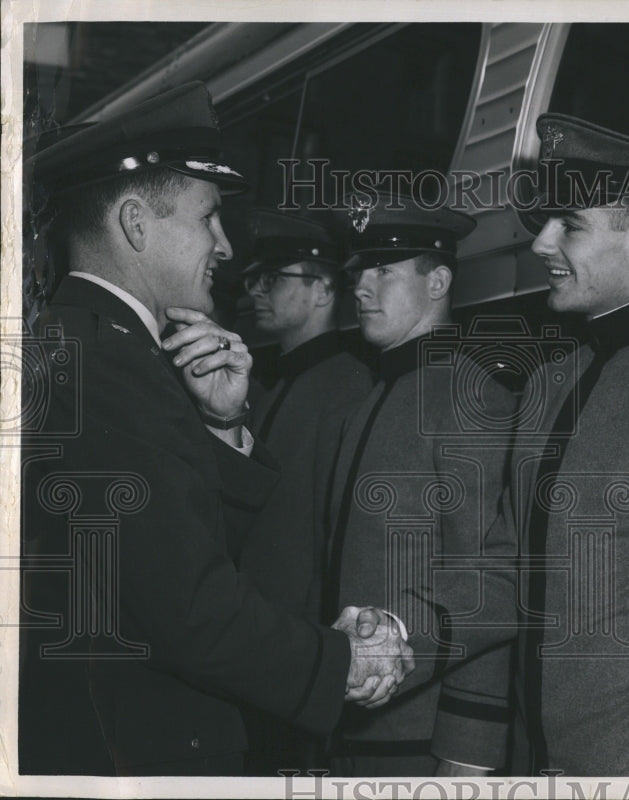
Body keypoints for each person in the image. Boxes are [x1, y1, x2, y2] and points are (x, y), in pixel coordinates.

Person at [339, 114, 629, 776]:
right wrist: (402, 634)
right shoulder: (548, 381)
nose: (540, 243)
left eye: (568, 223)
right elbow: (509, 568)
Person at [19, 82, 411, 777]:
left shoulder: (95, 346)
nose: (226, 247)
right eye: (209, 219)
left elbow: (169, 554)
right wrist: (340, 662)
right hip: (134, 753)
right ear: (137, 225)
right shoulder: (106, 364)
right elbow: (187, 609)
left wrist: (221, 422)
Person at [320, 194, 517, 776]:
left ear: (439, 283)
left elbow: (491, 583)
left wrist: (468, 751)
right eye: (360, 271)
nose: (361, 287)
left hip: (420, 743)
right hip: (355, 729)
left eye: (385, 270)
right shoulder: (372, 397)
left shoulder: (469, 398)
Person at [237, 209, 374, 774]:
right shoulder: (268, 386)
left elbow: (334, 549)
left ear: (322, 290)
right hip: (254, 654)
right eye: (253, 280)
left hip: (297, 668)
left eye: (273, 279)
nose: (256, 293)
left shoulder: (349, 388)